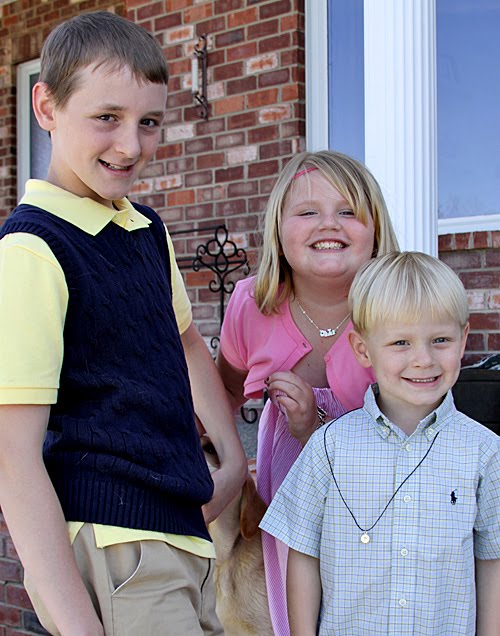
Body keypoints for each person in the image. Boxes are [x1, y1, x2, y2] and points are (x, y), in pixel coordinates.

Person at [0, 11, 247, 636]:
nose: (131, 146)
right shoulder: (32, 251)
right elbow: (11, 456)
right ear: (46, 107)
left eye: (149, 122)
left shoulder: (145, 230)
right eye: (107, 117)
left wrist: (232, 459)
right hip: (116, 546)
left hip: (183, 537)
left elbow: (185, 341)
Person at [261, 251, 500, 636]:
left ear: (463, 340)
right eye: (401, 342)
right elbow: (303, 553)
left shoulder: (485, 452)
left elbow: (492, 561)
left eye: (440, 340)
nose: (423, 359)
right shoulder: (329, 447)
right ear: (362, 349)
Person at [217, 150, 400, 634]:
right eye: (307, 212)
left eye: (348, 211)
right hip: (288, 505)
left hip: (380, 504)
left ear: (376, 229)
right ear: (278, 230)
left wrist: (316, 427)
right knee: (293, 613)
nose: (329, 224)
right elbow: (222, 394)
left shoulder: (397, 310)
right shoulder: (252, 305)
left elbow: (419, 432)